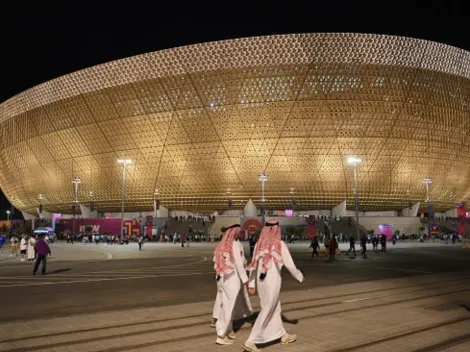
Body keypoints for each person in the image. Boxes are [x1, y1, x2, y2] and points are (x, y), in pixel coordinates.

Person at [243, 221, 304, 352]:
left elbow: (253, 266)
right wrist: (299, 276)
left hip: (261, 282)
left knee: (276, 308)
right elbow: (290, 264)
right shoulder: (279, 245)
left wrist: (252, 283)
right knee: (268, 308)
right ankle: (251, 340)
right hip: (272, 281)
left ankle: (282, 334)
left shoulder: (259, 245)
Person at [213, 224, 252, 345]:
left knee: (228, 306)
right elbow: (239, 264)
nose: (238, 233)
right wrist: (246, 280)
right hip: (232, 280)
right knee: (228, 307)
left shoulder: (221, 244)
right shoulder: (234, 244)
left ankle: (229, 330)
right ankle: (221, 334)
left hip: (221, 278)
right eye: (237, 231)